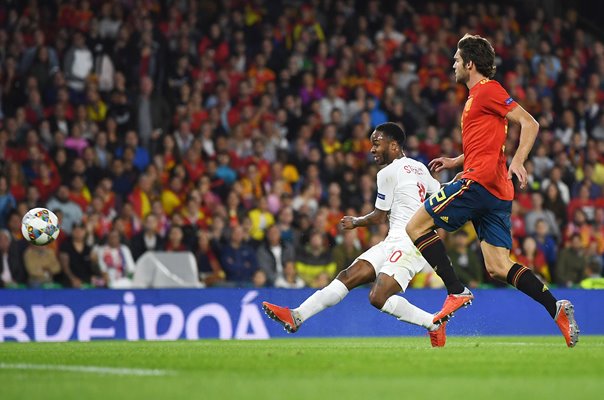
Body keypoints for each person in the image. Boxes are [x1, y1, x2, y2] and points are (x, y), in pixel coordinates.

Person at [405, 34, 579, 347]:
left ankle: (456, 291)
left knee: (415, 226)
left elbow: (530, 124)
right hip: (496, 191)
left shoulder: (488, 91)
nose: (453, 64)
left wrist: (518, 160)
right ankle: (556, 308)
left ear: (470, 64)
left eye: (457, 60)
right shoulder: (478, 99)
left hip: (479, 182)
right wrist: (455, 159)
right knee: (498, 266)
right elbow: (485, 143)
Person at [262, 123, 448, 347]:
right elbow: (439, 192)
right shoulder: (419, 168)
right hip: (393, 240)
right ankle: (297, 315)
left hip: (410, 244)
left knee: (377, 298)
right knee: (347, 276)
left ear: (394, 145)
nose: (372, 149)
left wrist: (355, 221)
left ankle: (433, 323)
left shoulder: (387, 173)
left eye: (377, 144)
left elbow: (379, 216)